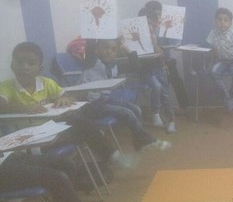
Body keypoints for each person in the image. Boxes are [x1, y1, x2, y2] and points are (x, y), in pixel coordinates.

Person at [0, 42, 133, 170]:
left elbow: (70, 97)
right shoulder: (7, 86)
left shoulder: (46, 83)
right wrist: (22, 108)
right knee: (87, 130)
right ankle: (110, 156)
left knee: (80, 122)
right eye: (20, 63)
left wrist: (64, 99)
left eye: (31, 63)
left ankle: (106, 157)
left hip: (51, 131)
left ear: (40, 69)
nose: (25, 67)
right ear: (12, 65)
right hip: (29, 142)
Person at [79, 39, 171, 152]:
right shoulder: (92, 62)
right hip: (90, 105)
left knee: (136, 109)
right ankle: (148, 141)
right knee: (127, 113)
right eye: (105, 47)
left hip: (104, 100)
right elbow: (90, 44)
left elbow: (137, 68)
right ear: (96, 50)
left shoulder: (113, 66)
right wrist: (99, 31)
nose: (109, 51)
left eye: (114, 50)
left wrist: (128, 51)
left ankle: (139, 143)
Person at [143, 0, 189, 114]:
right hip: (153, 59)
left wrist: (179, 26)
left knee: (175, 80)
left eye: (159, 14)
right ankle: (163, 109)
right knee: (162, 84)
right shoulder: (145, 24)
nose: (157, 17)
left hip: (168, 57)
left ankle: (183, 107)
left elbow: (174, 42)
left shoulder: (164, 23)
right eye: (152, 14)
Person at [136, 7, 177, 133]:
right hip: (145, 69)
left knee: (165, 93)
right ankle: (155, 113)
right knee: (157, 86)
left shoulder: (160, 35)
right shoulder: (135, 37)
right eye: (145, 23)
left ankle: (171, 121)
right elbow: (133, 59)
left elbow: (165, 55)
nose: (149, 26)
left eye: (151, 23)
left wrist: (155, 44)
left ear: (155, 23)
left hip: (159, 67)